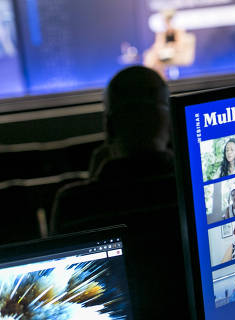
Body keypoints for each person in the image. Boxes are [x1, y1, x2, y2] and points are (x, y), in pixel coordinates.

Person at [49, 66, 188, 318]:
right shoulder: (190, 192)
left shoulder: (72, 203)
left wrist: (94, 179)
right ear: (168, 124)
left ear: (109, 127)